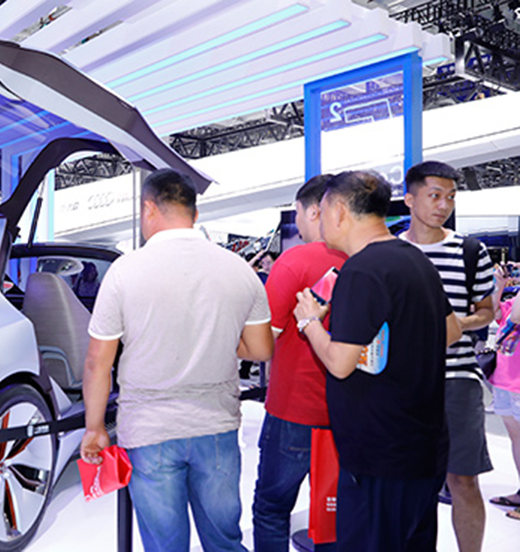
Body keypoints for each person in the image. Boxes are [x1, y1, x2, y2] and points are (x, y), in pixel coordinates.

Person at [80, 168, 273, 552]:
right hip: (216, 426)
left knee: (165, 545)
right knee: (224, 541)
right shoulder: (238, 269)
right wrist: (215, 339)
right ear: (195, 214)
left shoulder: (124, 271)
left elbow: (97, 362)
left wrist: (95, 427)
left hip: (149, 430)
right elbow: (260, 350)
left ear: (148, 208)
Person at [293, 170, 462, 551]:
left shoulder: (362, 270)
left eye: (322, 210)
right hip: (423, 446)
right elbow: (451, 331)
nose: (320, 220)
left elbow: (340, 363)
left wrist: (309, 322)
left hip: (380, 452)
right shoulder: (414, 259)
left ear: (339, 210)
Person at [399, 160, 495, 552]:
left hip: (458, 379)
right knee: (408, 480)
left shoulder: (470, 251)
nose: (443, 205)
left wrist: (456, 324)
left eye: (451, 197)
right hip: (402, 383)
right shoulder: (391, 251)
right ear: (410, 199)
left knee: (463, 479)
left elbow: (487, 311)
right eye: (435, 195)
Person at [252, 174, 347, 552]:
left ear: (314, 211)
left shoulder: (294, 261)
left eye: (297, 213)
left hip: (292, 409)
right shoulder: (362, 258)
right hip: (346, 411)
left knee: (272, 507)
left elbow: (265, 338)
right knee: (333, 512)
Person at [487, 262, 520, 521]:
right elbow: (495, 312)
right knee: (516, 438)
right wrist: (499, 284)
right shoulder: (513, 298)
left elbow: (518, 315)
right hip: (505, 381)